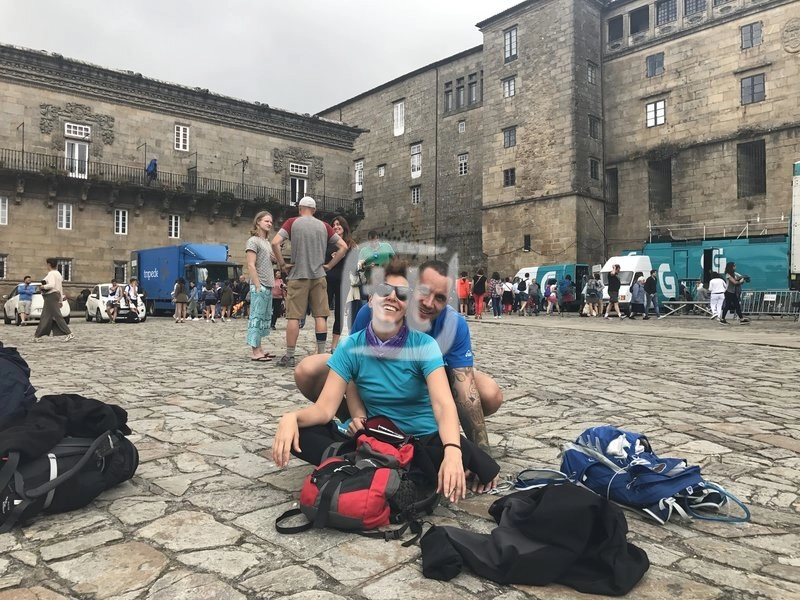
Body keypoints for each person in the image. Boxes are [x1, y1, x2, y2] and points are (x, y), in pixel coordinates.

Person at [272, 259, 498, 499]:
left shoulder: (427, 344)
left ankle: (368, 464)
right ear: (370, 298)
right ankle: (388, 465)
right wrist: (293, 417)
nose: (392, 297)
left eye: (402, 294)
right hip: (376, 433)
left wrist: (455, 451)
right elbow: (329, 404)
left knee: (460, 450)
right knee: (302, 435)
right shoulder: (352, 343)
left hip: (419, 436)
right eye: (383, 290)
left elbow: (445, 404)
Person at [272, 196, 348, 367]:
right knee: (320, 316)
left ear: (300, 208)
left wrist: (282, 264)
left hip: (298, 275)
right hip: (319, 276)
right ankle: (321, 355)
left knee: (293, 317)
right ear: (314, 210)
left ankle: (290, 356)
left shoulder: (292, 223)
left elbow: (275, 243)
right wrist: (329, 265)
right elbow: (343, 246)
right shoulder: (324, 226)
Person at [246, 211, 276, 361]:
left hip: (268, 284)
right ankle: (255, 350)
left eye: (270, 221)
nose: (269, 223)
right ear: (258, 222)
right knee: (256, 318)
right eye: (266, 221)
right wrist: (257, 284)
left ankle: (259, 348)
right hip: (260, 284)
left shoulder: (267, 243)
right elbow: (251, 264)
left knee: (264, 318)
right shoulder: (253, 241)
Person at [327, 215, 359, 352]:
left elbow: (354, 266)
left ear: (344, 226)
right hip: (328, 280)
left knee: (339, 313)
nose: (336, 227)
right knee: (322, 312)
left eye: (338, 224)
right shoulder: (328, 243)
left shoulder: (351, 244)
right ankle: (319, 344)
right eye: (334, 225)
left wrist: (342, 257)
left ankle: (334, 345)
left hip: (343, 281)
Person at [33, 258, 73, 342]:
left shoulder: (51, 273)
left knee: (56, 315)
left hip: (50, 296)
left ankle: (69, 333)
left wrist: (43, 286)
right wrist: (60, 300)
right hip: (55, 295)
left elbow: (51, 285)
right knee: (46, 316)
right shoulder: (58, 274)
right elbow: (60, 288)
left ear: (49, 264)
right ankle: (37, 336)